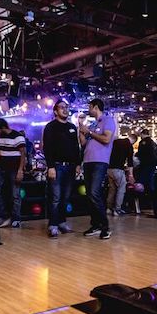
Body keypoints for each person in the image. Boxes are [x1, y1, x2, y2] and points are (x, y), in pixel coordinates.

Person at [43, 100, 81, 238]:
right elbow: (47, 147)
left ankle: (61, 222)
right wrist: (51, 166)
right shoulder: (50, 127)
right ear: (55, 111)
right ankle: (53, 225)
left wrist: (78, 163)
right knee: (55, 197)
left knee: (65, 198)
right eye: (62, 107)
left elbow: (76, 146)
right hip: (57, 166)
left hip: (71, 167)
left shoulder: (72, 127)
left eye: (67, 107)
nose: (65, 109)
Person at [79, 98, 116, 240]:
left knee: (94, 193)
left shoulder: (108, 120)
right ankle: (95, 225)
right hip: (88, 162)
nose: (88, 109)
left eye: (89, 107)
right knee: (90, 195)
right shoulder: (93, 124)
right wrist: (81, 129)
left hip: (100, 162)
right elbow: (83, 143)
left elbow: (106, 139)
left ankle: (105, 227)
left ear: (95, 107)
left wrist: (89, 132)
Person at [0, 118, 26, 229]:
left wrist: (20, 170)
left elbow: (23, 154)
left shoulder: (17, 136)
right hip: (1, 168)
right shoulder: (1, 136)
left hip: (14, 169)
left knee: (15, 194)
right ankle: (4, 216)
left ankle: (16, 219)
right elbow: (0, 152)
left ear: (2, 127)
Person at [107, 133, 137, 217]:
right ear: (133, 140)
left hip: (108, 168)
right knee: (121, 189)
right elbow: (130, 162)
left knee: (112, 189)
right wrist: (131, 175)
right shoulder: (129, 146)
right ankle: (117, 209)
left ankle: (108, 208)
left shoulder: (116, 141)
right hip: (118, 169)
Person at [135, 129, 157, 194]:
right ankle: (151, 196)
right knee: (150, 180)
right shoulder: (153, 143)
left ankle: (141, 196)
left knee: (141, 182)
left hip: (145, 164)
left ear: (142, 134)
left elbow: (140, 153)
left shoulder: (143, 142)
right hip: (153, 165)